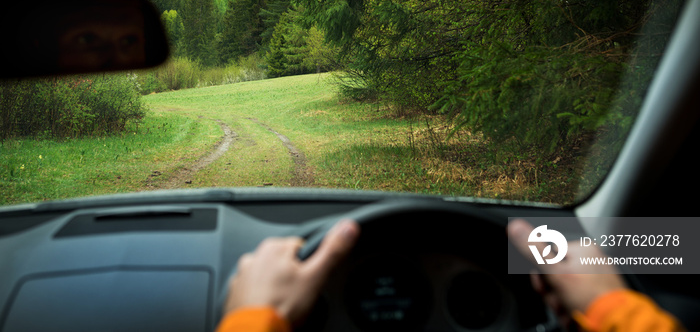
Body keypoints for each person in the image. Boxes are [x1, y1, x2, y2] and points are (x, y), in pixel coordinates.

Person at [216, 218, 684, 332]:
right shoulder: (614, 306)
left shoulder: (666, 243)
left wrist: (257, 319)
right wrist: (610, 308)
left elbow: (671, 243)